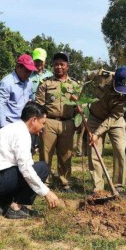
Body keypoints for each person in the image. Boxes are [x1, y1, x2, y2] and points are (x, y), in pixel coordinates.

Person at [0, 101, 59, 219]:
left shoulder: (11, 128)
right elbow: (26, 169)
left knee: (27, 169)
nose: (43, 128)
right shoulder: (22, 134)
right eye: (43, 123)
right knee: (41, 168)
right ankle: (16, 208)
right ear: (34, 120)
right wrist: (46, 192)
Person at [35, 52, 79, 192]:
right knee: (45, 154)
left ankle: (64, 182)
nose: (59, 67)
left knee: (66, 155)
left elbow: (80, 106)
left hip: (68, 124)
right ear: (52, 66)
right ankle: (44, 182)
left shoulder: (75, 85)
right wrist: (41, 124)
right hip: (49, 122)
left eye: (62, 64)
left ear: (67, 66)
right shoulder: (46, 84)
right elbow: (39, 106)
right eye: (56, 64)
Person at [86, 67, 126, 193]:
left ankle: (118, 185)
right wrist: (80, 98)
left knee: (120, 150)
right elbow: (86, 78)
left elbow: (114, 116)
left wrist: (97, 133)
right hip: (95, 117)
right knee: (94, 150)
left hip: (115, 120)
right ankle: (98, 188)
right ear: (114, 78)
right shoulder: (101, 75)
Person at [0, 54, 36, 129]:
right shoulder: (7, 83)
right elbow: (1, 106)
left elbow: (30, 98)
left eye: (30, 71)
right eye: (26, 71)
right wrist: (3, 127)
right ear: (18, 67)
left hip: (22, 124)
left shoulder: (29, 82)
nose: (29, 74)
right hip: (8, 123)